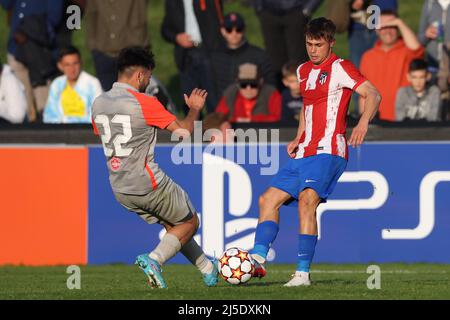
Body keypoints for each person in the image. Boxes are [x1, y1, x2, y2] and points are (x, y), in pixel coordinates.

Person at [248, 17, 381, 286]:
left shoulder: (341, 67)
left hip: (329, 150)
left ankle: (302, 274)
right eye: (309, 44)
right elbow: (308, 108)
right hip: (305, 150)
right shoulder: (302, 71)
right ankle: (257, 259)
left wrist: (363, 122)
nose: (313, 49)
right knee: (267, 200)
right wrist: (298, 136)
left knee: (308, 200)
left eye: (318, 44)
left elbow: (373, 94)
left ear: (331, 42)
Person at [91, 46, 218, 289]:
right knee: (190, 222)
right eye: (148, 77)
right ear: (140, 75)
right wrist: (194, 108)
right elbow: (183, 133)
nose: (148, 82)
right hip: (146, 180)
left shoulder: (99, 102)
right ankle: (154, 260)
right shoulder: (145, 102)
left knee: (175, 226)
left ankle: (208, 269)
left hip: (119, 186)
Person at [0, 0, 64, 122]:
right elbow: (6, 4)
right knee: (20, 102)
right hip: (16, 49)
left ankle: (46, 135)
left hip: (40, 51)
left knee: (44, 104)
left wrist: (29, 32)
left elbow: (54, 17)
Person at [360, 10, 424, 121]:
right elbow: (363, 93)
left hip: (404, 119)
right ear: (376, 30)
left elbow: (417, 49)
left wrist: (399, 22)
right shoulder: (367, 56)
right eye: (383, 26)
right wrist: (363, 120)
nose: (387, 31)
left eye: (392, 26)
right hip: (376, 119)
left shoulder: (406, 50)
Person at [161, 0, 224, 114]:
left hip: (208, 53)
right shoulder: (173, 3)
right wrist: (177, 37)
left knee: (213, 101)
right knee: (190, 104)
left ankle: (214, 129)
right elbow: (165, 29)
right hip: (186, 56)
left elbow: (219, 22)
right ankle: (195, 131)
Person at [254, 0, 322, 86]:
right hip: (268, 11)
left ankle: (299, 97)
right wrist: (258, 6)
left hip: (296, 11)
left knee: (298, 63)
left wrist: (308, 9)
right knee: (274, 64)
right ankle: (280, 97)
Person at [85, 0, 149, 91]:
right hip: (103, 52)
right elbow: (91, 14)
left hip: (132, 52)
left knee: (134, 97)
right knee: (107, 96)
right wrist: (93, 46)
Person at [210, 12, 276, 100]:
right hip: (223, 108)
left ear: (244, 30)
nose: (234, 33)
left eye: (238, 29)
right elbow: (210, 87)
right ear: (223, 31)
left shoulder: (259, 55)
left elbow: (270, 85)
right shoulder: (215, 57)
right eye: (229, 29)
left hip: (253, 107)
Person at [43, 46, 102, 124]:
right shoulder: (57, 84)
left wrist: (68, 122)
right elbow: (49, 116)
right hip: (60, 132)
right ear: (60, 66)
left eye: (75, 63)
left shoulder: (92, 83)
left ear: (81, 63)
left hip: (86, 131)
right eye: (67, 65)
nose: (72, 69)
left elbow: (98, 116)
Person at [215, 63, 281, 123]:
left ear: (260, 82)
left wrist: (251, 120)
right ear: (237, 84)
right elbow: (218, 118)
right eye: (243, 85)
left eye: (253, 85)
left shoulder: (271, 93)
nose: (248, 88)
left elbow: (279, 117)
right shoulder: (230, 94)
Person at [280, 61, 303, 126]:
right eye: (292, 81)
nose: (297, 85)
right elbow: (283, 117)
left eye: (299, 81)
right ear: (285, 82)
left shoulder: (308, 95)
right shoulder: (284, 96)